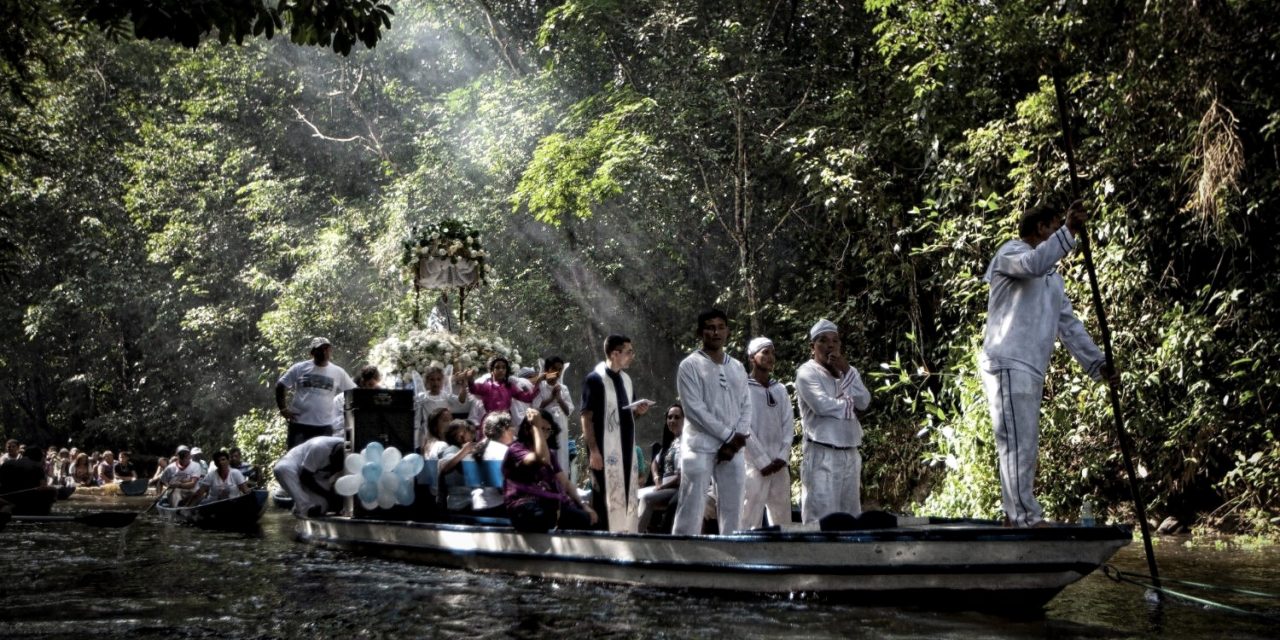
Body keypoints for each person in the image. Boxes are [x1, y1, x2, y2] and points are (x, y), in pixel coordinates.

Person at [980, 201, 1115, 528]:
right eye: (1056, 227)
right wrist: (1069, 231)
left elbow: (1068, 326)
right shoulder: (1010, 253)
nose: (1061, 234)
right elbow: (1033, 262)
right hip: (1008, 359)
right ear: (1042, 228)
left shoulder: (1053, 279)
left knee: (1023, 441)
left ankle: (1016, 516)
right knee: (1018, 443)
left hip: (1030, 364)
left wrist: (1098, 365)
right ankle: (1023, 516)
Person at [672, 309, 753, 535]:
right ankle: (683, 560)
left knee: (734, 508)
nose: (715, 332)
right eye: (709, 327)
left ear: (727, 331)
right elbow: (694, 410)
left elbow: (747, 405)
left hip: (733, 448)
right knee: (691, 506)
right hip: (700, 446)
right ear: (700, 332)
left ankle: (732, 558)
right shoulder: (689, 365)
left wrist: (736, 440)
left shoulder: (737, 367)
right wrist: (729, 436)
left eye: (720, 327)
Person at [795, 319, 871, 524]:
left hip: (850, 452)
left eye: (835, 341)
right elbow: (821, 406)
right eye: (823, 340)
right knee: (820, 517)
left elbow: (863, 402)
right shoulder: (806, 372)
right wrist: (849, 405)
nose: (830, 345)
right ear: (813, 347)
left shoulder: (849, 371)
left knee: (851, 515)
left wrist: (846, 371)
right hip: (822, 453)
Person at [581, 334, 651, 532]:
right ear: (614, 353)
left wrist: (638, 412)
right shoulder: (595, 379)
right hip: (604, 450)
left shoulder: (626, 379)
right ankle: (603, 543)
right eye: (629, 352)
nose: (632, 356)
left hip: (627, 448)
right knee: (604, 497)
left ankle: (626, 536)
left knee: (628, 493)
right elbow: (586, 417)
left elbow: (628, 416)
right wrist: (593, 450)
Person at [504, 408, 596, 532]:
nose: (545, 434)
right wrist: (536, 426)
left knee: (587, 518)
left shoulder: (550, 454)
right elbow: (542, 458)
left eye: (548, 430)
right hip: (525, 506)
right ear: (527, 429)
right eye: (541, 429)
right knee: (541, 518)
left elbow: (566, 483)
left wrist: (584, 506)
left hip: (550, 506)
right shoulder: (516, 450)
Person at [741, 337, 794, 530]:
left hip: (779, 466)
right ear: (751, 358)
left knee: (782, 520)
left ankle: (782, 556)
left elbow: (788, 425)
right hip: (754, 466)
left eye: (772, 352)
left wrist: (782, 456)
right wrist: (762, 460)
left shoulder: (780, 389)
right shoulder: (742, 388)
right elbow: (743, 426)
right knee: (748, 519)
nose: (770, 357)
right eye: (765, 352)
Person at [276, 336, 357, 449]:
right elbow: (281, 385)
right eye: (320, 349)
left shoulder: (338, 372)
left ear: (330, 351)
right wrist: (283, 409)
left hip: (324, 426)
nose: (324, 352)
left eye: (326, 348)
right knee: (296, 457)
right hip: (300, 424)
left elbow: (353, 392)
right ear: (312, 352)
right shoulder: (300, 368)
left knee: (321, 461)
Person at [272, 436, 347, 518]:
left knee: (322, 506)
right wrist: (327, 495)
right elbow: (305, 478)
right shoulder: (319, 447)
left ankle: (299, 508)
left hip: (318, 476)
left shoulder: (350, 447)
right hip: (295, 467)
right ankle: (304, 507)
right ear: (331, 455)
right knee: (281, 469)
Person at [637, 404, 685, 533]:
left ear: (684, 420)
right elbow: (654, 463)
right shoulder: (671, 443)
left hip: (677, 490)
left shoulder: (687, 442)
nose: (672, 420)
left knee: (647, 499)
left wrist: (662, 487)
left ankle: (635, 536)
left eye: (677, 417)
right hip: (663, 488)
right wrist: (657, 478)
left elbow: (682, 477)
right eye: (669, 417)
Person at [464, 356, 542, 434]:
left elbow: (527, 397)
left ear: (506, 370)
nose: (501, 370)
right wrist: (470, 379)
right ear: (491, 370)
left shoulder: (510, 386)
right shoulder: (486, 386)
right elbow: (473, 389)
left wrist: (538, 382)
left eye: (504, 367)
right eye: (497, 367)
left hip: (505, 422)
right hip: (490, 421)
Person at [414, 366, 472, 452]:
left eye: (438, 379)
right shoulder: (423, 397)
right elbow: (417, 419)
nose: (435, 382)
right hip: (429, 431)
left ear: (443, 381)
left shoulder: (445, 395)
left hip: (445, 430)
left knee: (445, 450)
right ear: (427, 382)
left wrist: (463, 386)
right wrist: (417, 440)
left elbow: (461, 400)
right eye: (432, 379)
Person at [533, 356, 575, 474]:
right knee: (545, 455)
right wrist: (551, 398)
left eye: (560, 369)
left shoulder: (563, 388)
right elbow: (536, 406)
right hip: (544, 428)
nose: (557, 372)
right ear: (547, 369)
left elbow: (568, 411)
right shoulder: (540, 386)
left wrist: (559, 398)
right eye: (554, 368)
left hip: (561, 427)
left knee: (561, 455)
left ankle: (561, 486)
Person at [471, 412, 514, 516]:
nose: (513, 431)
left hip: (476, 503)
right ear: (504, 430)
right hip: (497, 507)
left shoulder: (478, 446)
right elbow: (502, 487)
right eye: (510, 428)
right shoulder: (502, 451)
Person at [437, 419, 479, 511]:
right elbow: (445, 466)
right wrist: (464, 451)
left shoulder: (468, 450)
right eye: (465, 431)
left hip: (471, 501)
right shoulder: (452, 449)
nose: (471, 434)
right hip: (459, 503)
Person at [333, 364, 383, 436]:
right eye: (370, 385)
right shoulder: (343, 399)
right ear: (362, 383)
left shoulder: (372, 398)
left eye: (375, 387)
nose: (372, 390)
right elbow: (337, 425)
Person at [187, 450, 252, 505]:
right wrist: (188, 507)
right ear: (215, 464)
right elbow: (199, 493)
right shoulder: (211, 475)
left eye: (223, 459)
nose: (221, 462)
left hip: (233, 504)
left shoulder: (236, 473)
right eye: (218, 461)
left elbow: (245, 491)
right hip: (213, 505)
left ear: (228, 461)